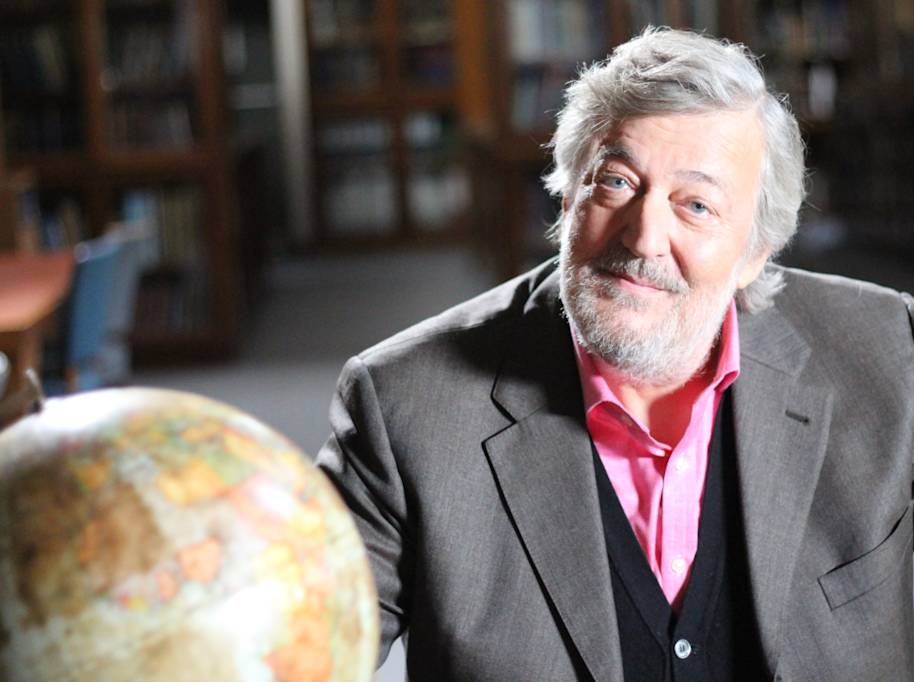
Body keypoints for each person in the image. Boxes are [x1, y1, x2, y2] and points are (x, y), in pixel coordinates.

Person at [316, 27, 914, 681]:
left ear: (754, 254)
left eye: (696, 205)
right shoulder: (404, 406)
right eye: (617, 182)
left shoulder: (890, 352)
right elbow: (290, 641)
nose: (644, 236)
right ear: (567, 195)